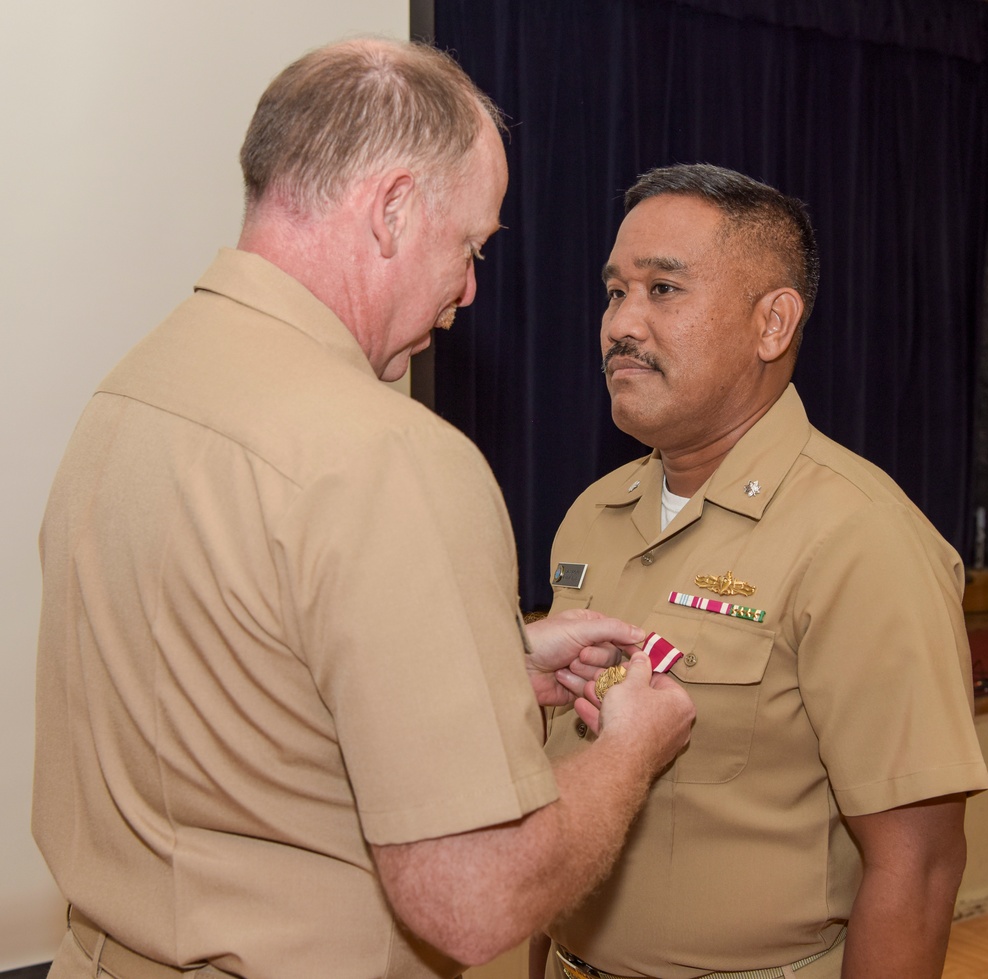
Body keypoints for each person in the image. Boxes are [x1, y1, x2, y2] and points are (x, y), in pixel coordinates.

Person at [32, 40, 696, 979]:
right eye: (469, 246)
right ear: (390, 210)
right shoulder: (390, 454)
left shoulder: (129, 395)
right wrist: (630, 751)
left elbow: (225, 680)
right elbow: (470, 902)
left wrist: (492, 664)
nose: (469, 289)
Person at [536, 164, 988, 979]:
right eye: (614, 292)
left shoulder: (859, 537)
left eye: (663, 289)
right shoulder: (591, 515)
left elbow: (917, 869)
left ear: (773, 322)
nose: (620, 324)